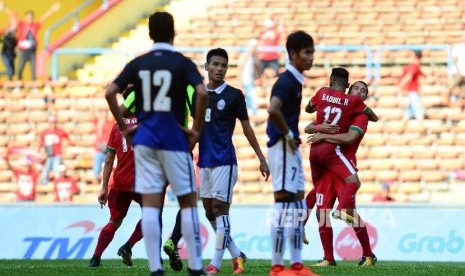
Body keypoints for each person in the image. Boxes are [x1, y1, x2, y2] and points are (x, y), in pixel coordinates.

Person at [105, 11, 208, 276]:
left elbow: (110, 92)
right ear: (173, 33)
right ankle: (195, 267)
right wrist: (195, 130)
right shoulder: (182, 63)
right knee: (188, 203)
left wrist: (124, 128)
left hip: (147, 142)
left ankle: (155, 269)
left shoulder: (138, 63)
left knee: (151, 206)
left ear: (150, 34)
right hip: (174, 139)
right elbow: (201, 92)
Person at [197, 48, 269, 274]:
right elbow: (195, 128)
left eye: (223, 66)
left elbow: (246, 127)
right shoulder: (198, 95)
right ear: (206, 66)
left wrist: (260, 157)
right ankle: (237, 255)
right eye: (216, 64)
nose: (219, 69)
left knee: (220, 209)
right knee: (209, 212)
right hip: (205, 161)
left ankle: (215, 264)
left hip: (225, 160)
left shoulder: (234, 95)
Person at [304, 81, 377, 266]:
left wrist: (322, 135)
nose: (359, 92)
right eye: (356, 89)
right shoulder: (340, 111)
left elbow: (349, 139)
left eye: (363, 91)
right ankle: (328, 258)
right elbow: (309, 127)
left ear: (365, 98)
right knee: (322, 212)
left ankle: (369, 255)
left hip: (345, 162)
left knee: (350, 212)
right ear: (348, 91)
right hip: (330, 166)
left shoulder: (361, 116)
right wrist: (320, 128)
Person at [266, 30, 317, 276]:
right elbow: (273, 109)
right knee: (284, 203)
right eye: (307, 53)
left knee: (297, 204)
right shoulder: (286, 80)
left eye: (312, 52)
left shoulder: (295, 79)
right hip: (283, 146)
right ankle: (277, 266)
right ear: (294, 54)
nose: (312, 58)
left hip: (290, 147)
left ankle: (296, 264)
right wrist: (287, 135)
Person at [89, 102, 143, 268]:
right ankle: (128, 246)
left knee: (114, 221)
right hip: (143, 181)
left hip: (120, 181)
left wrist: (104, 188)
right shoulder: (147, 122)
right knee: (152, 216)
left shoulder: (116, 127)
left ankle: (95, 258)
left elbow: (108, 159)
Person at [1, 1, 60, 80]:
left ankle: (33, 86)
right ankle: (18, 85)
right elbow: (13, 15)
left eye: (31, 17)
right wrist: (4, 7)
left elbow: (43, 18)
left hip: (32, 51)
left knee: (33, 70)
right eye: (28, 17)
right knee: (20, 69)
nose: (30, 19)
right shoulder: (21, 24)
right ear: (25, 18)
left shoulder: (35, 26)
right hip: (23, 51)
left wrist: (51, 10)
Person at [38, 115, 72, 185]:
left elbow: (68, 139)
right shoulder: (45, 132)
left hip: (57, 154)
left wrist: (65, 147)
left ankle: (58, 183)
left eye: (54, 123)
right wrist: (40, 152)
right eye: (51, 123)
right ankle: (44, 183)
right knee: (46, 170)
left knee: (56, 169)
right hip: (48, 154)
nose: (52, 124)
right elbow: (41, 143)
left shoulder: (59, 131)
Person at [399, 50, 424, 120]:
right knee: (418, 110)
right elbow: (409, 76)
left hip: (412, 90)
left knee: (410, 110)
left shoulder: (415, 66)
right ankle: (421, 125)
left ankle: (404, 122)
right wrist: (401, 85)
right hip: (413, 91)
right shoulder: (415, 66)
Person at [238, 38, 261, 115]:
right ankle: (254, 117)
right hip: (246, 83)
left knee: (249, 103)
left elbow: (256, 69)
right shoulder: (245, 56)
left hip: (250, 82)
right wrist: (240, 85)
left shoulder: (253, 57)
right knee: (253, 101)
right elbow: (240, 70)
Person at [92, 110, 114, 185]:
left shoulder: (111, 123)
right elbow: (92, 112)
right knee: (97, 163)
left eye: (106, 115)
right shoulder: (99, 123)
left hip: (109, 150)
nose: (105, 116)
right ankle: (96, 181)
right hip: (100, 150)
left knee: (109, 167)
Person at [0, 5, 18, 81]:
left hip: (12, 53)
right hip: (5, 53)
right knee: (10, 69)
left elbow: (14, 15)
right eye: (12, 21)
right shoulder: (6, 30)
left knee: (12, 71)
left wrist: (4, 8)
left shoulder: (19, 30)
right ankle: (10, 83)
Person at [449, 34, 465, 100]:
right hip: (458, 72)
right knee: (451, 86)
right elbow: (455, 60)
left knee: (463, 90)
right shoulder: (458, 47)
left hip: (463, 73)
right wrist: (458, 71)